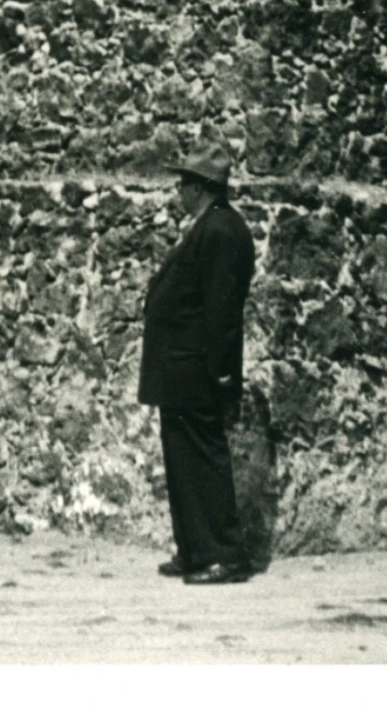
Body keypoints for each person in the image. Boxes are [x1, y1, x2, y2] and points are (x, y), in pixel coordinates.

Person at [138, 139, 257, 584]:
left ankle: (225, 554)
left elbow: (221, 310)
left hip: (197, 371)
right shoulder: (211, 226)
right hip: (180, 372)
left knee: (204, 460)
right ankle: (194, 550)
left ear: (200, 187)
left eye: (183, 183)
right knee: (184, 462)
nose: (178, 191)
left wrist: (222, 373)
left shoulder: (220, 231)